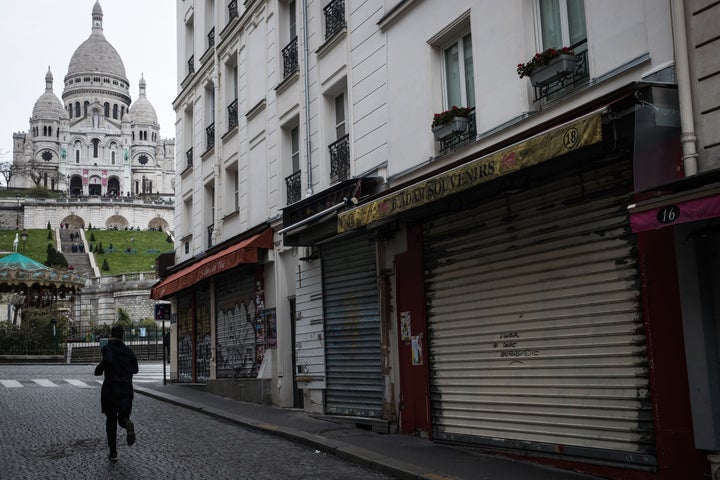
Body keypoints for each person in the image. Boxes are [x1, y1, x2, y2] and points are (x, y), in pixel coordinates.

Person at [94, 326, 139, 462]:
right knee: (123, 417)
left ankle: (113, 452)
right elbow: (135, 370)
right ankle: (127, 423)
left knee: (111, 421)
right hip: (126, 388)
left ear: (112, 335)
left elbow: (108, 360)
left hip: (111, 389)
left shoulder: (108, 348)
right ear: (123, 336)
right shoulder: (128, 350)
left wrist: (99, 369)